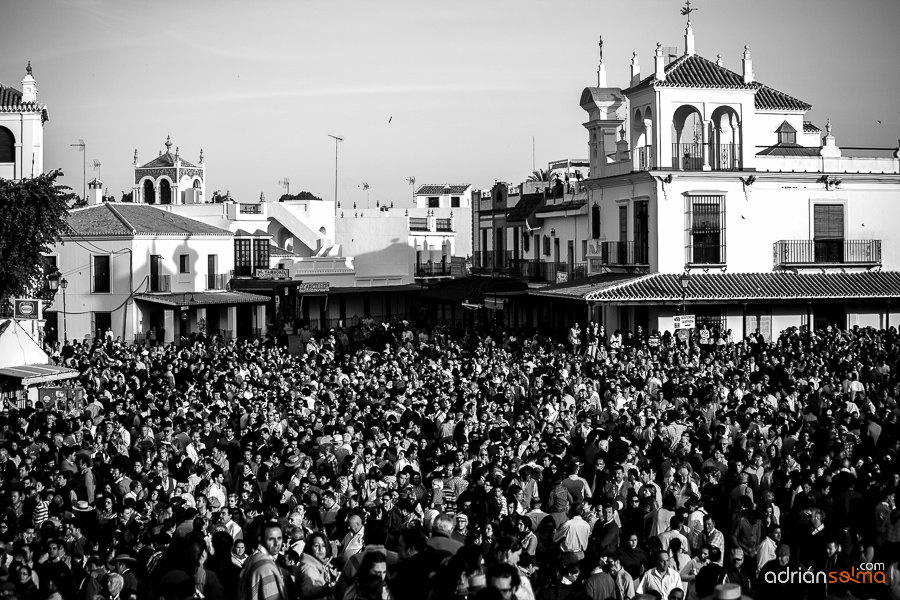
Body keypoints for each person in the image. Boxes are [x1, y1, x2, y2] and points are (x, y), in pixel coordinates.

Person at [237, 521, 289, 600]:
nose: (277, 543)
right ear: (260, 539)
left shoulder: (254, 557)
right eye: (271, 539)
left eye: (279, 538)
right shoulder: (266, 566)